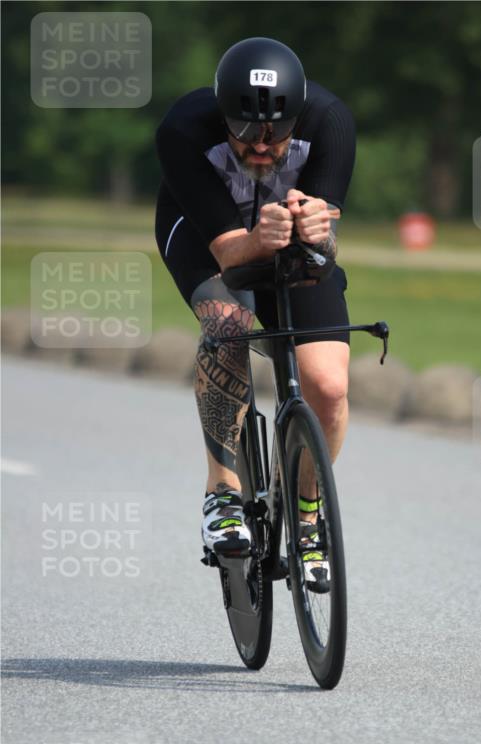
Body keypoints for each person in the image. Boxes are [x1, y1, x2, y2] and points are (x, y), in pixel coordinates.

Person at [155, 36, 355, 589]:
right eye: (245, 133)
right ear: (223, 115)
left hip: (287, 239)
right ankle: (222, 492)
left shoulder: (331, 122)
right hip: (204, 234)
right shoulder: (183, 130)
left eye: (276, 134)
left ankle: (309, 512)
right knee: (230, 326)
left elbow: (324, 247)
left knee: (328, 387)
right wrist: (258, 237)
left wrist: (321, 236)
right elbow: (229, 254)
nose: (263, 148)